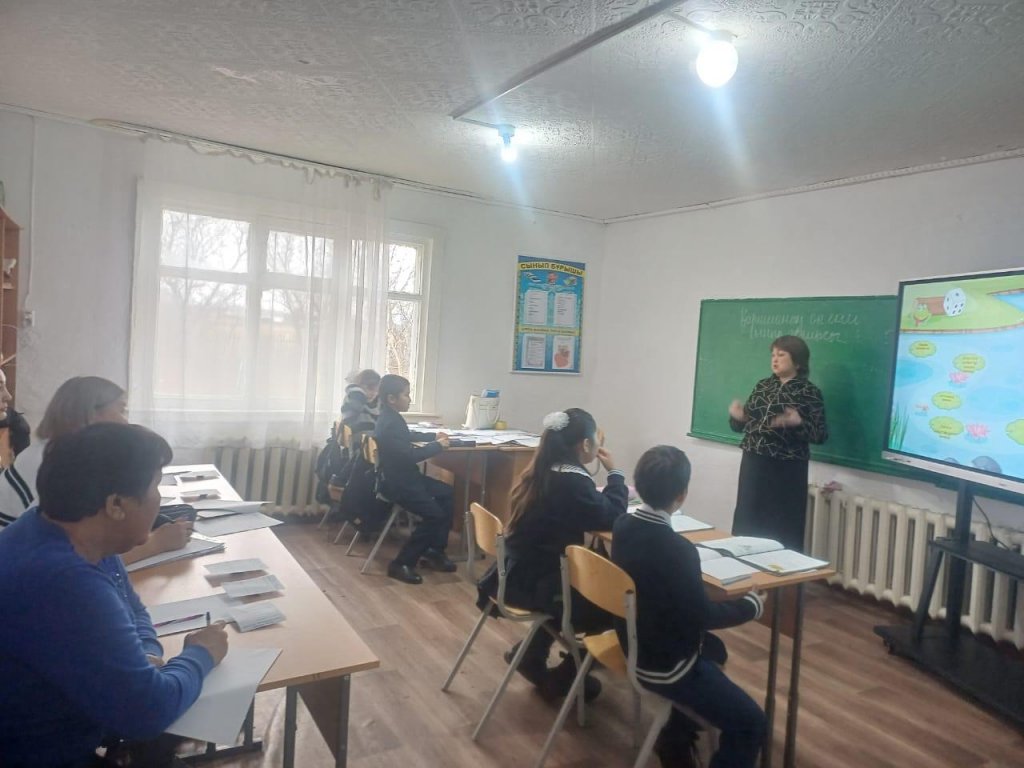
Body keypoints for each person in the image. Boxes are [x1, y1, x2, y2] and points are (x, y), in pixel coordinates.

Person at [0, 422, 229, 768]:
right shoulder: (63, 580)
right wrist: (201, 653)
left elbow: (134, 610)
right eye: (155, 485)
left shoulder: (67, 532)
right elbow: (147, 713)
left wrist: (146, 654)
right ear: (117, 504)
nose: (160, 499)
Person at [612, 445, 766, 768]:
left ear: (638, 485)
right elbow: (702, 616)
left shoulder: (622, 526)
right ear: (682, 495)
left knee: (715, 650)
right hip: (666, 666)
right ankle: (676, 734)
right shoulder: (678, 549)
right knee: (752, 723)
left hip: (633, 645)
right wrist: (750, 606)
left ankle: (675, 734)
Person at [491, 408, 628, 702]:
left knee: (581, 586)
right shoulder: (571, 481)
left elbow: (593, 507)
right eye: (595, 439)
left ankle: (530, 655)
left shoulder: (545, 470)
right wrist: (615, 474)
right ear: (585, 445)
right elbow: (612, 516)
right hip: (536, 584)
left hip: (516, 573)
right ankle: (565, 679)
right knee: (617, 607)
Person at [0, 377, 192, 565]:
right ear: (91, 414)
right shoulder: (56, 464)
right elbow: (76, 557)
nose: (126, 422)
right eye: (121, 409)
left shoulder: (57, 452)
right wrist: (156, 543)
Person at [728, 335, 828, 551]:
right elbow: (743, 424)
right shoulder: (763, 386)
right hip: (754, 462)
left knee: (783, 524)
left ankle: (781, 569)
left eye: (781, 355)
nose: (775, 359)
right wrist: (738, 417)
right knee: (748, 517)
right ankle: (743, 561)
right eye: (773, 355)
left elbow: (820, 435)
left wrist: (798, 423)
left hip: (787, 468)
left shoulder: (809, 392)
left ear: (798, 361)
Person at [374, 374, 456, 584]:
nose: (409, 399)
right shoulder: (390, 422)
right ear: (392, 399)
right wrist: (437, 446)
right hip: (399, 485)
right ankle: (401, 563)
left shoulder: (390, 417)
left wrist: (432, 437)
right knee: (435, 516)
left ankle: (434, 551)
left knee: (446, 493)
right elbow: (409, 456)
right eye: (406, 395)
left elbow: (405, 437)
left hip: (405, 479)